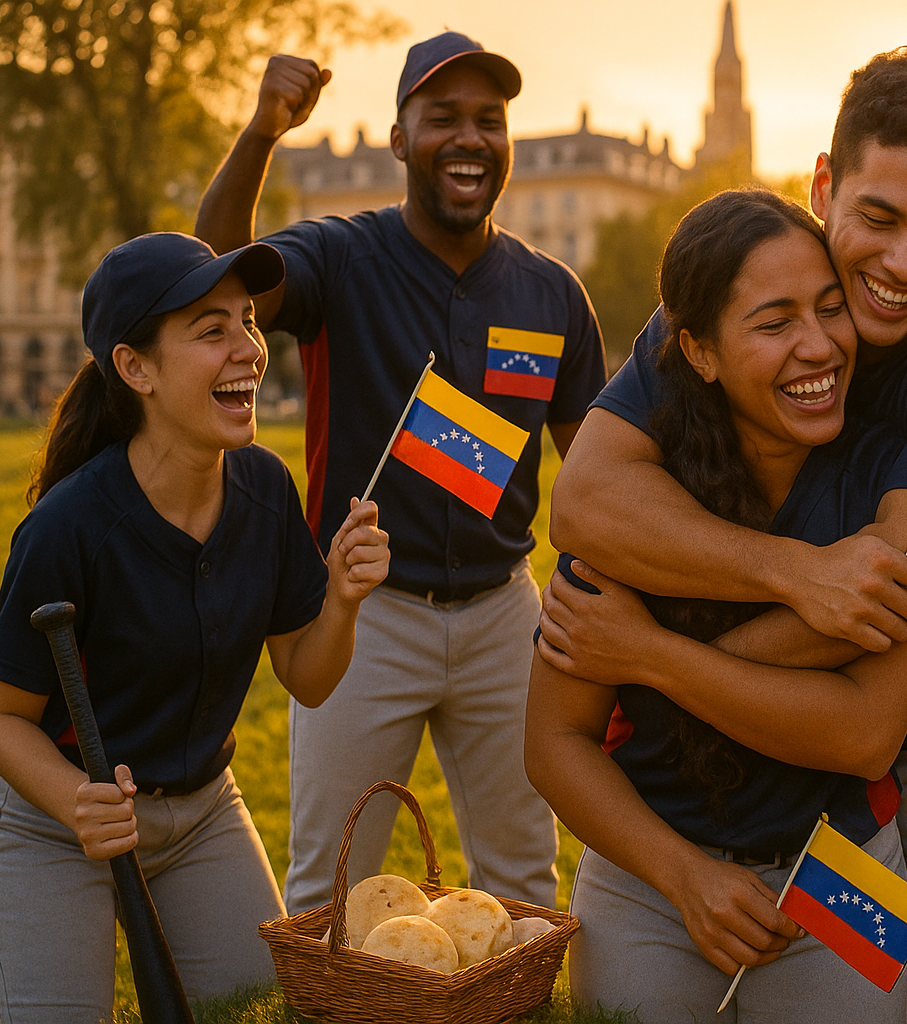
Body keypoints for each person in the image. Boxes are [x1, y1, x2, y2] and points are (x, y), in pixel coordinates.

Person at [550, 49, 907, 1024]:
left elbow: (884, 602)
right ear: (824, 184)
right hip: (766, 759)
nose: (906, 264)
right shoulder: (738, 284)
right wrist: (794, 570)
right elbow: (583, 504)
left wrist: (649, 659)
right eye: (879, 219)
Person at [195, 32, 607, 914]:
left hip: (506, 613)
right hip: (362, 617)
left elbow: (601, 473)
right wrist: (264, 132)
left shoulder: (553, 294)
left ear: (509, 141)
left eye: (488, 121)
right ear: (397, 139)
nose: (469, 138)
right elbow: (218, 275)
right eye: (442, 118)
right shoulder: (340, 256)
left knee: (523, 878)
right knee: (327, 890)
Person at [526, 188, 907, 1023]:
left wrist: (650, 654)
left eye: (831, 310)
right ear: (700, 352)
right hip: (650, 875)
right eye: (775, 321)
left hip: (845, 868)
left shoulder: (892, 487)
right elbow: (551, 743)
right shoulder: (638, 502)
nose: (818, 346)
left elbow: (866, 735)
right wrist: (687, 878)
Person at [0, 233, 389, 1020]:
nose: (249, 347)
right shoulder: (70, 527)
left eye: (246, 320)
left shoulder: (266, 490)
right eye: (211, 331)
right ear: (135, 368)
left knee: (254, 1010)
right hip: (49, 822)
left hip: (203, 809)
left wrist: (341, 600)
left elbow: (306, 678)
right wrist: (76, 800)